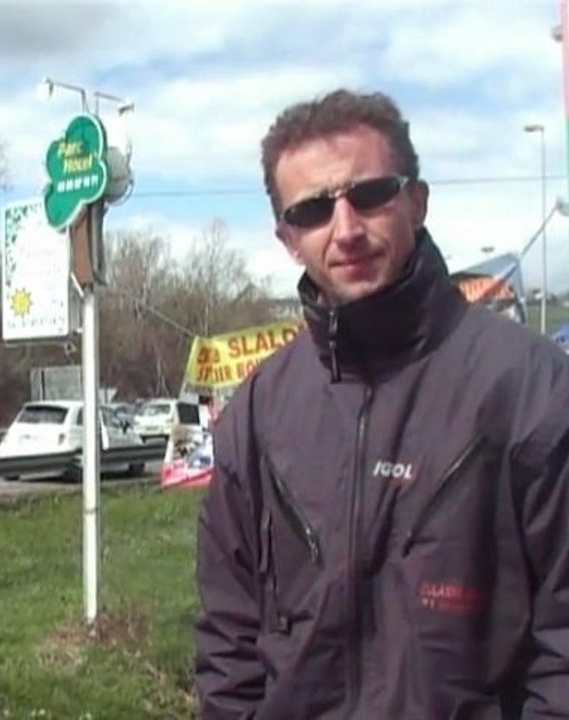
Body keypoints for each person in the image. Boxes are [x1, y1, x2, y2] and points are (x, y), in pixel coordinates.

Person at [194, 89, 569, 718]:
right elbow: (228, 647)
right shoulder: (261, 408)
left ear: (416, 202)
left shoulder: (531, 389)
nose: (345, 229)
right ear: (287, 237)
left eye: (368, 195)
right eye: (313, 210)